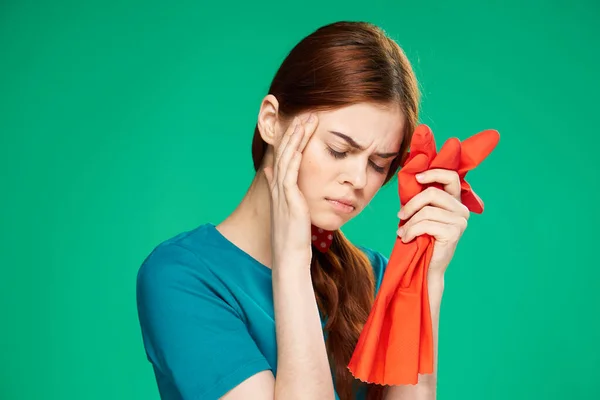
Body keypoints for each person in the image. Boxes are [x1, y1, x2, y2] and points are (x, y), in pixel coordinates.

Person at [136, 21, 471, 400]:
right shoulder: (182, 277)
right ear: (271, 123)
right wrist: (292, 261)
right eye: (338, 150)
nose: (358, 178)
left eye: (379, 164)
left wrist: (424, 282)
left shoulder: (376, 278)